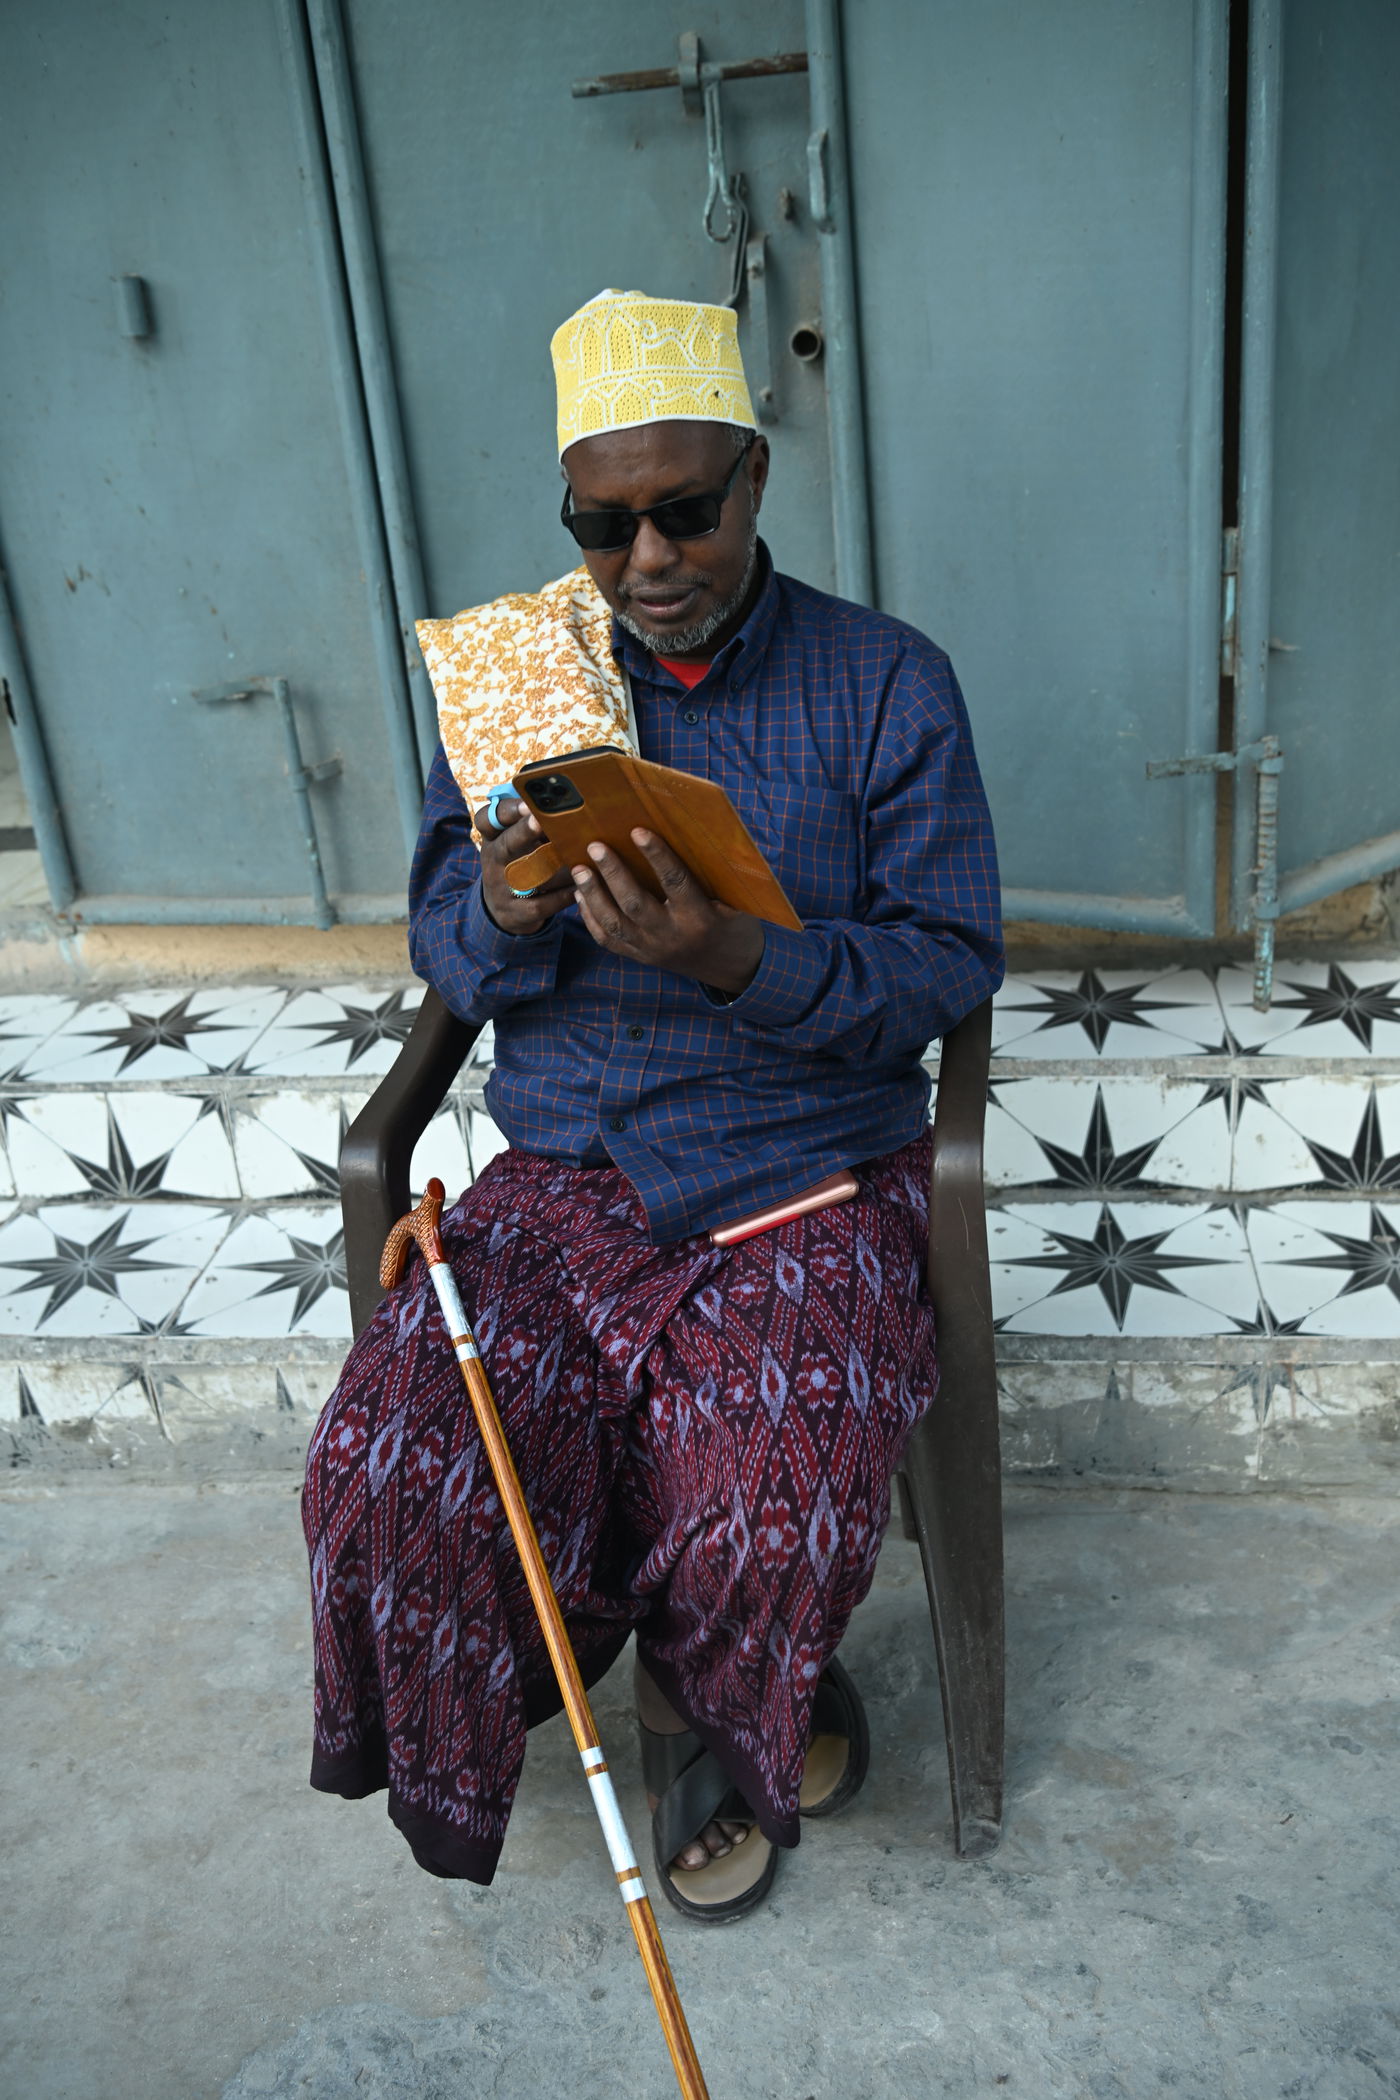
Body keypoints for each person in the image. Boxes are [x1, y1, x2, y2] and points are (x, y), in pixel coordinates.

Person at [303, 289, 1003, 1923]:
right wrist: (508, 903)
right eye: (603, 526)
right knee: (388, 1459)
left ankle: (719, 1707)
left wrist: (733, 957)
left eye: (687, 510)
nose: (649, 560)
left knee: (767, 1480)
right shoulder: (516, 680)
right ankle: (654, 1652)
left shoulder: (886, 682)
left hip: (803, 1171)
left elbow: (945, 958)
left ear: (755, 476)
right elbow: (446, 949)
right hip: (566, 1173)